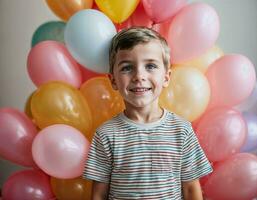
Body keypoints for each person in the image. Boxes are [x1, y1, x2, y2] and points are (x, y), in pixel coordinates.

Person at [83, 27, 212, 200]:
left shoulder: (182, 130)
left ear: (166, 77)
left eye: (150, 66)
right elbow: (99, 194)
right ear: (113, 80)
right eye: (127, 68)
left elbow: (190, 188)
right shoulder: (106, 134)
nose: (139, 76)